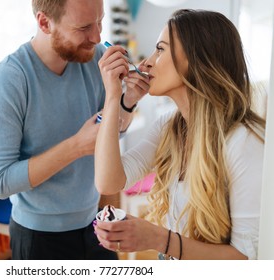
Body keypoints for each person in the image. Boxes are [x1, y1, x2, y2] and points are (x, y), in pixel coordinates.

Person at [0, 0, 147, 260]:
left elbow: (110, 134)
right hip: (39, 238)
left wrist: (127, 101)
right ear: (45, 22)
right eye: (83, 27)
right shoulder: (8, 80)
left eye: (99, 21)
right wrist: (76, 146)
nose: (97, 37)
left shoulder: (96, 59)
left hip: (95, 222)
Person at [93, 9, 266, 260]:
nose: (147, 62)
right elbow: (109, 182)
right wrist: (113, 97)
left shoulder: (244, 141)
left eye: (160, 49)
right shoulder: (169, 127)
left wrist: (157, 238)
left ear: (197, 60)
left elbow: (245, 260)